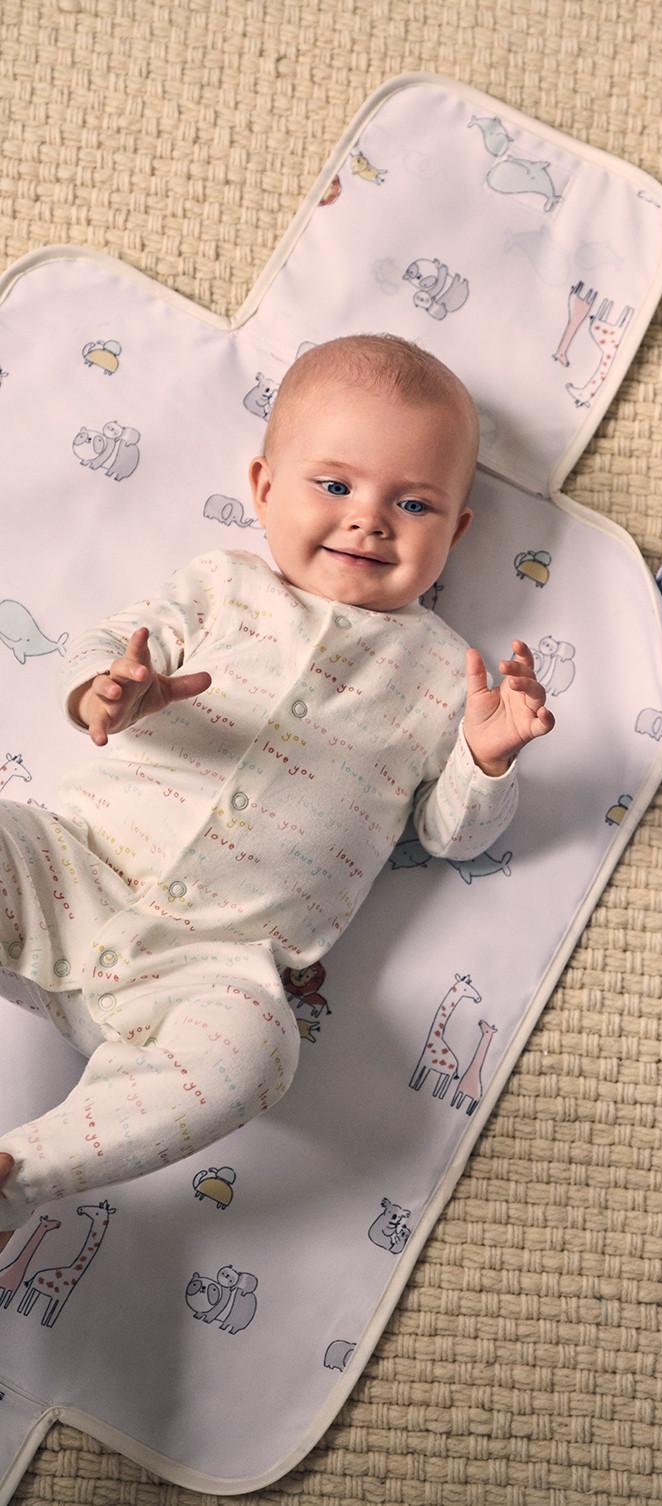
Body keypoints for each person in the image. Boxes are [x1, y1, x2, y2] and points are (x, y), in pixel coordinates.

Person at [0, 333, 554, 1249]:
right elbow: (112, 648)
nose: (369, 520)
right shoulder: (223, 587)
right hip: (68, 869)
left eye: (412, 503)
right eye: (333, 485)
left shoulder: (441, 675)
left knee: (258, 1057)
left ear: (454, 530)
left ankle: (25, 1170)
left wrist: (487, 759)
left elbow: (454, 836)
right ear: (264, 489)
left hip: (215, 964)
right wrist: (112, 690)